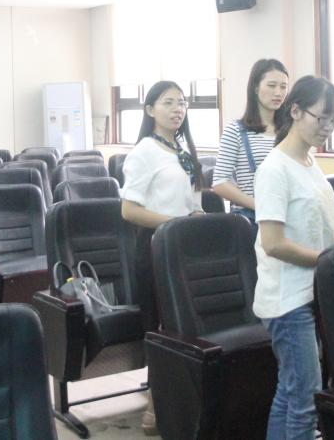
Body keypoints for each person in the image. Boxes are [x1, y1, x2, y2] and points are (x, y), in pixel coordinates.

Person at [253, 75, 334, 440]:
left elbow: (323, 227)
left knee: (290, 391)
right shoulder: (275, 168)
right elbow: (273, 243)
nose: (328, 127)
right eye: (321, 117)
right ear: (295, 111)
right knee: (306, 398)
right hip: (287, 299)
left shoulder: (308, 162)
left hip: (309, 290)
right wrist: (328, 260)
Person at [120, 80, 203, 435]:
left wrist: (196, 218)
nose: (177, 109)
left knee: (185, 327)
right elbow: (129, 210)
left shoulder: (182, 149)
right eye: (168, 102)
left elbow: (191, 202)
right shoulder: (145, 151)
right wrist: (175, 223)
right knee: (161, 327)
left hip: (184, 250)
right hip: (155, 249)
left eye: (182, 103)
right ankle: (155, 404)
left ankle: (183, 397)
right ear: (150, 109)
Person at [212, 58, 289, 222]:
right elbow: (220, 182)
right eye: (271, 85)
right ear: (255, 88)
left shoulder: (289, 131)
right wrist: (260, 205)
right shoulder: (236, 130)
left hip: (287, 214)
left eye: (283, 87)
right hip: (252, 217)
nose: (278, 93)